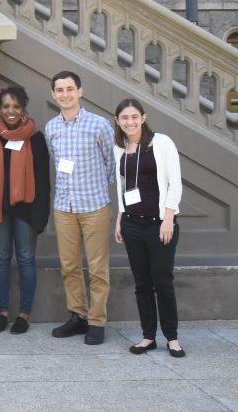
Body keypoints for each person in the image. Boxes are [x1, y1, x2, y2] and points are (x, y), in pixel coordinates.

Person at [45, 70, 116, 346]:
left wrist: (97, 189)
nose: (65, 94)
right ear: (53, 95)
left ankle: (97, 321)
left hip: (94, 206)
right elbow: (56, 161)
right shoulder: (52, 128)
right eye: (60, 90)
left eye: (70, 89)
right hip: (64, 207)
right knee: (69, 266)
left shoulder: (99, 126)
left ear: (80, 91)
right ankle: (78, 315)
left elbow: (111, 164)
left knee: (98, 268)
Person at [0, 86, 50, 335]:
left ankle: (24, 314)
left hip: (26, 210)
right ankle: (2, 312)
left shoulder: (34, 137)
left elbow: (43, 180)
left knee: (26, 260)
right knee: (0, 259)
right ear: (0, 109)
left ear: (24, 108)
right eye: (6, 106)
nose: (11, 111)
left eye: (16, 106)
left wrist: (41, 217)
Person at [112, 99, 185, 357]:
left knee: (162, 281)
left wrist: (168, 219)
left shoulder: (162, 143)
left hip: (159, 225)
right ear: (118, 120)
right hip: (132, 224)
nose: (129, 122)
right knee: (142, 283)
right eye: (124, 118)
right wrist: (120, 219)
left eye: (134, 117)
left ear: (143, 117)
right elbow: (122, 186)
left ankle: (172, 337)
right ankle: (147, 336)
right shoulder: (120, 147)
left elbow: (174, 183)